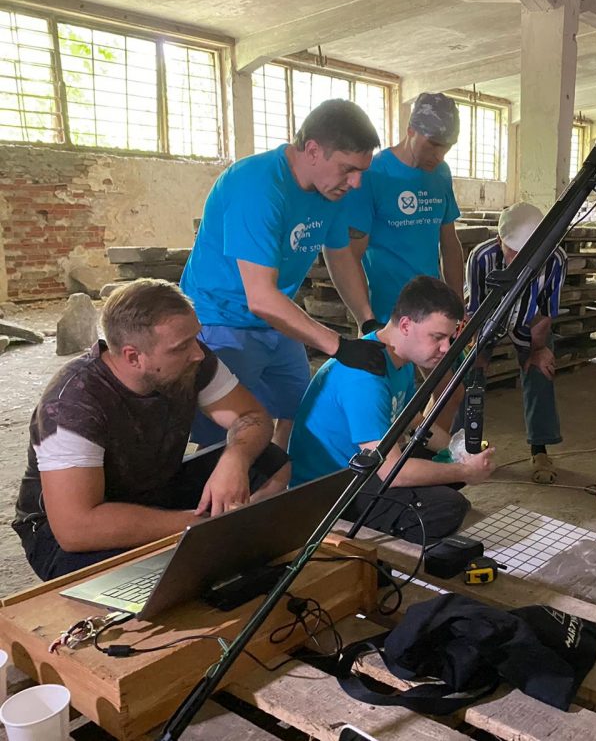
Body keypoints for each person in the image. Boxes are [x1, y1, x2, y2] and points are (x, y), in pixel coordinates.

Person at [12, 280, 290, 581]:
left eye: (195, 338)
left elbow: (252, 416)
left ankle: (227, 549)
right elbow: (75, 528)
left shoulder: (191, 363)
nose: (197, 353)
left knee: (269, 461)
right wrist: (199, 525)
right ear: (133, 356)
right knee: (165, 578)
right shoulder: (72, 403)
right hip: (64, 533)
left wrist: (234, 460)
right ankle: (219, 551)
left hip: (152, 490)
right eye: (181, 347)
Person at [180, 99, 386, 449]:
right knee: (229, 432)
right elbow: (260, 297)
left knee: (299, 408)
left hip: (277, 319)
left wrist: (366, 321)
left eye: (361, 171)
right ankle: (225, 482)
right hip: (222, 320)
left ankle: (280, 473)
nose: (355, 183)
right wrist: (337, 346)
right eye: (348, 169)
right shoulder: (257, 186)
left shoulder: (332, 192)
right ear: (313, 150)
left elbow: (340, 257)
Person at [289, 276, 495, 544]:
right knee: (447, 507)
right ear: (406, 325)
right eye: (438, 337)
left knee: (447, 465)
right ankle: (377, 550)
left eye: (449, 338)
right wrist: (466, 471)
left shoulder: (397, 357)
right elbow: (391, 471)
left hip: (358, 470)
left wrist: (460, 451)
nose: (446, 348)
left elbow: (414, 420)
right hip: (329, 493)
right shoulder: (366, 377)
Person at [336, 92, 465, 331]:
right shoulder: (373, 174)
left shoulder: (441, 173)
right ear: (411, 130)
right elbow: (348, 255)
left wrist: (457, 308)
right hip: (388, 318)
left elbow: (450, 244)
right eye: (433, 145)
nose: (439, 156)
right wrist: (366, 321)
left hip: (432, 313)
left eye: (447, 147)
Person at [465, 202, 566, 484]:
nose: (521, 259)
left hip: (529, 321)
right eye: (514, 251)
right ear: (500, 240)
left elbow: (546, 312)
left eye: (529, 252)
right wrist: (477, 353)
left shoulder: (555, 259)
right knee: (469, 375)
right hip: (487, 320)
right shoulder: (481, 257)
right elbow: (474, 310)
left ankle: (539, 449)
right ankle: (464, 445)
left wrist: (537, 350)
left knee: (541, 370)